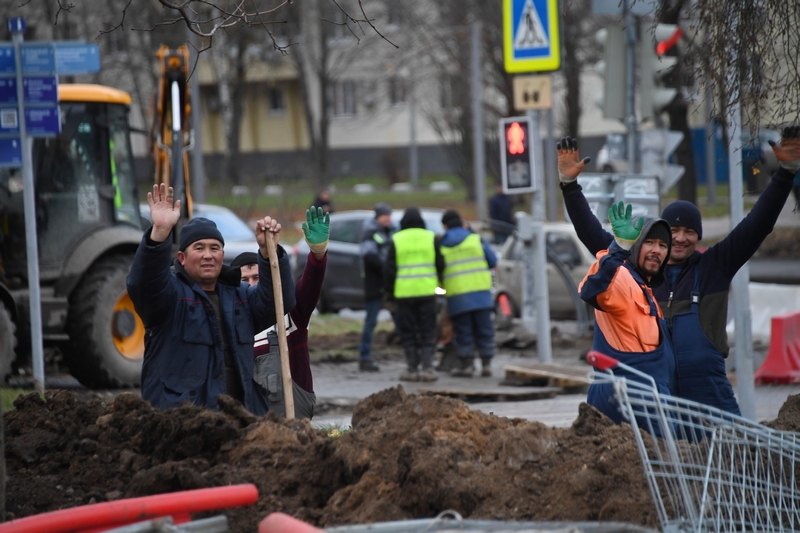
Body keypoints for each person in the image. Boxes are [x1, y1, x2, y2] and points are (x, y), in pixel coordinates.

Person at [558, 127, 800, 415]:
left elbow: (757, 224)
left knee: (730, 456)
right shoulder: (634, 272)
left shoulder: (714, 266)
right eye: (673, 232)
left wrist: (785, 173)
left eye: (690, 231)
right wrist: (570, 186)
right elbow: (592, 234)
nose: (681, 238)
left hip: (709, 397)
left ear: (698, 236)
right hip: (658, 398)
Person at [126, 183, 295, 415]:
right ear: (182, 258)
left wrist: (269, 254)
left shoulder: (241, 295)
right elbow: (143, 284)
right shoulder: (169, 295)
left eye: (214, 248)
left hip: (242, 420)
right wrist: (159, 235)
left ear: (222, 255)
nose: (208, 255)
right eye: (199, 248)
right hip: (184, 424)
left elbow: (278, 301)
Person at [229, 207, 330, 420]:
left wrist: (318, 256)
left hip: (293, 417)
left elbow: (310, 288)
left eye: (257, 277)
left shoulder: (290, 312)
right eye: (244, 280)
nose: (252, 284)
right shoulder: (232, 322)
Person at [579, 202, 674, 427]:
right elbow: (592, 289)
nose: (656, 250)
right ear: (635, 245)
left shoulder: (647, 293)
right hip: (624, 401)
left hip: (649, 401)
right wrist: (618, 248)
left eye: (662, 245)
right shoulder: (622, 278)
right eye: (649, 242)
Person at [383, 207, 444, 382]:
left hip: (404, 293)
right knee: (427, 329)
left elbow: (389, 269)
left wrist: (389, 291)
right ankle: (428, 368)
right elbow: (440, 264)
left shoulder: (397, 239)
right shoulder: (430, 237)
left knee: (408, 331)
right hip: (427, 292)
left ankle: (411, 368)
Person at [439, 209, 498, 377]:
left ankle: (467, 365)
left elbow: (439, 268)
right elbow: (493, 261)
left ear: (445, 226)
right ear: (462, 222)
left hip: (457, 295)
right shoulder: (476, 239)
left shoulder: (442, 244)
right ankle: (486, 365)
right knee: (484, 329)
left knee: (464, 331)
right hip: (481, 293)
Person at [358, 202, 394, 372]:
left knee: (400, 318)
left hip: (389, 285)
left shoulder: (391, 232)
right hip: (375, 285)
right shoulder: (370, 233)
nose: (388, 218)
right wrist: (387, 269)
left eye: (389, 215)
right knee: (371, 322)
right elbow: (370, 256)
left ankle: (409, 350)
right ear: (377, 217)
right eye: (384, 215)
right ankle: (364, 357)